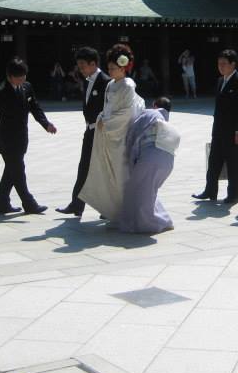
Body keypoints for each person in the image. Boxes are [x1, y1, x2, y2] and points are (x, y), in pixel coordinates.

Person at [0, 57, 54, 215]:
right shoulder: (0, 90)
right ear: (9, 76)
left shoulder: (27, 87)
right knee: (18, 170)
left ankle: (1, 204)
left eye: (24, 75)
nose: (22, 79)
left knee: (11, 171)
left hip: (21, 137)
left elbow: (35, 108)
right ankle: (30, 204)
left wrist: (46, 124)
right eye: (19, 76)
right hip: (6, 139)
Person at [78, 44, 146, 221]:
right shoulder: (110, 84)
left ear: (123, 67)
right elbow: (106, 107)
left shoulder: (128, 85)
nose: (111, 71)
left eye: (114, 68)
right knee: (109, 173)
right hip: (108, 134)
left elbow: (128, 113)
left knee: (121, 173)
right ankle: (111, 207)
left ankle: (124, 208)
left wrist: (106, 122)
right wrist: (101, 117)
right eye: (109, 68)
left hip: (120, 135)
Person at [57, 47, 111, 216]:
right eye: (79, 66)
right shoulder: (88, 80)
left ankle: (107, 207)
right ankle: (77, 204)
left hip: (102, 132)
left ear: (93, 63)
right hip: (89, 131)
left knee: (104, 170)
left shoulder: (106, 82)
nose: (80, 69)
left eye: (82, 66)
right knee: (84, 167)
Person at [193, 49, 238, 205]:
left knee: (233, 163)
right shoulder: (220, 81)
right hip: (218, 129)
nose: (221, 66)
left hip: (232, 131)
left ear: (233, 64)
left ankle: (233, 194)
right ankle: (210, 190)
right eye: (219, 64)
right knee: (214, 160)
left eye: (224, 64)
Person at [118, 97, 177, 234]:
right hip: (167, 161)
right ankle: (163, 220)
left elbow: (133, 132)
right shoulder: (164, 120)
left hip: (150, 159)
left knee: (135, 191)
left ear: (154, 105)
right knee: (150, 192)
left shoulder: (150, 114)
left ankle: (148, 224)